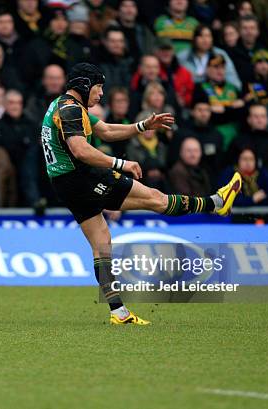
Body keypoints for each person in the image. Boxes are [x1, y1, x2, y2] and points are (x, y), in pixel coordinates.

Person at [40, 63, 242, 325]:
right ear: (85, 85)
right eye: (99, 87)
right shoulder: (69, 110)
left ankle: (118, 312)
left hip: (65, 184)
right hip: (82, 176)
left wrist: (142, 125)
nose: (101, 94)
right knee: (156, 199)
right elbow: (80, 150)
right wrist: (120, 164)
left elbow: (106, 130)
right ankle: (215, 203)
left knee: (102, 244)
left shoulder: (64, 105)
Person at [0, 89, 41, 207]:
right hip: (7, 167)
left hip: (32, 168)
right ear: (4, 104)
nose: (15, 106)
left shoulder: (32, 125)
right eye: (11, 103)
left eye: (18, 103)